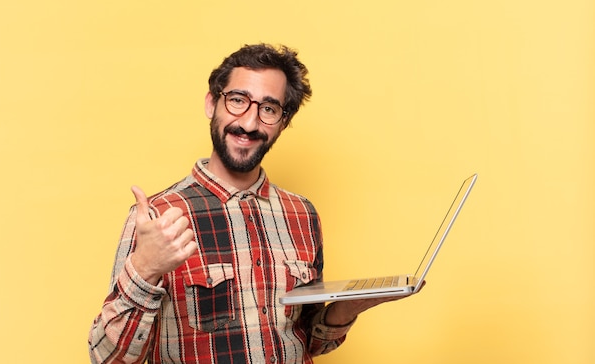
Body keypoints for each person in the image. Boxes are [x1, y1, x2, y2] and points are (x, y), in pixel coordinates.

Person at [88, 43, 420, 364]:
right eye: (237, 100)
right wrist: (146, 268)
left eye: (269, 109)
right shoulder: (156, 217)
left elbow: (306, 339)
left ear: (283, 122)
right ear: (211, 104)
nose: (249, 123)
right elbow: (107, 358)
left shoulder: (302, 214)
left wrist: (349, 307)